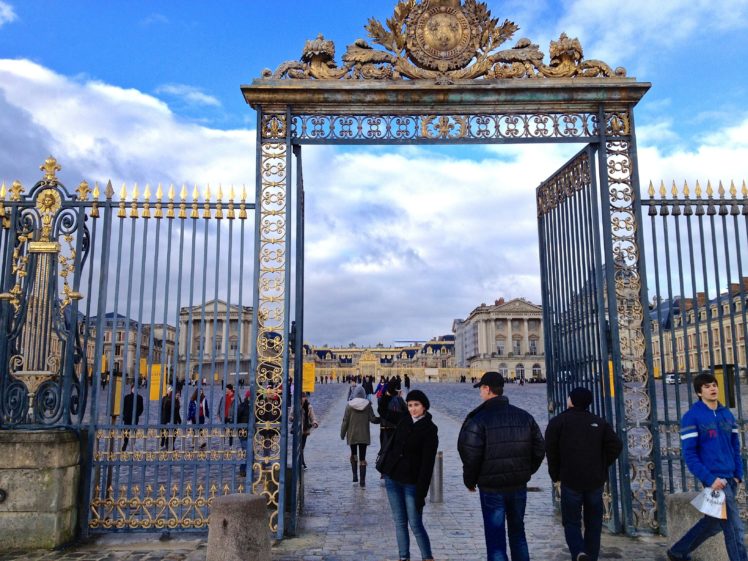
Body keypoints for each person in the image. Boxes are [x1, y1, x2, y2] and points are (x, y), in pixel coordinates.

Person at [457, 371, 545, 561]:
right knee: (518, 534)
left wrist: (470, 481)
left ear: (487, 389)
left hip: (491, 488)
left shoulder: (478, 419)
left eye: (481, 388)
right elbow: (539, 449)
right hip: (518, 486)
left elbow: (470, 454)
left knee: (495, 539)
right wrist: (526, 472)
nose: (480, 392)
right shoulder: (524, 416)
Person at [667, 373, 747, 561]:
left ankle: (678, 551)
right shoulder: (691, 417)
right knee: (735, 529)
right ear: (699, 392)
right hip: (715, 480)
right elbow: (690, 455)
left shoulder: (727, 414)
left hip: (731, 478)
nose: (712, 389)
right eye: (707, 386)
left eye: (714, 385)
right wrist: (710, 479)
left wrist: (739, 474)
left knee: (714, 524)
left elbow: (735, 446)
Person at [545, 387, 623, 561]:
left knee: (571, 521)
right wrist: (602, 464)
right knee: (593, 523)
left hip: (570, 479)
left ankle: (579, 552)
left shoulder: (558, 422)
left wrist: (555, 475)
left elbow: (551, 452)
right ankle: (591, 556)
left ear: (570, 400)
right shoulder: (599, 422)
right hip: (594, 480)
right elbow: (616, 445)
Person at [378, 389, 438, 561]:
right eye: (410, 405)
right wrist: (388, 392)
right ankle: (403, 557)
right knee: (399, 522)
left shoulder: (430, 429)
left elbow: (427, 465)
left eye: (416, 405)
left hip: (412, 482)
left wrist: (422, 494)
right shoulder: (404, 419)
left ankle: (427, 557)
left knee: (415, 523)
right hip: (393, 477)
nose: (413, 409)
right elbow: (382, 411)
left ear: (424, 406)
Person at [340, 384, 379, 487]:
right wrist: (382, 419)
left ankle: (354, 476)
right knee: (362, 457)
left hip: (352, 434)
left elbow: (345, 421)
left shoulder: (349, 405)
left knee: (353, 455)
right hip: (364, 435)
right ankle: (362, 481)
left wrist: (342, 434)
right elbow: (373, 419)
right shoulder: (368, 405)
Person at [290, 392, 319, 469]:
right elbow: (290, 416)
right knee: (298, 447)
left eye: (304, 397)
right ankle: (301, 463)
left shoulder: (309, 407)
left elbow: (312, 417)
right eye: (301, 398)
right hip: (296, 429)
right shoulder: (295, 406)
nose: (303, 399)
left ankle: (300, 462)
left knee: (301, 447)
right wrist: (293, 418)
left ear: (305, 398)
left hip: (305, 430)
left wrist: (315, 422)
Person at [121, 384, 144, 451]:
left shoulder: (140, 398)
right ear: (131, 389)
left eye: (136, 388)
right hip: (127, 417)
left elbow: (141, 408)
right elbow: (123, 407)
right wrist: (124, 414)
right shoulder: (127, 397)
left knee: (134, 431)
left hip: (135, 417)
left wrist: (137, 414)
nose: (135, 390)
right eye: (134, 388)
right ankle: (125, 443)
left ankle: (133, 443)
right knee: (126, 431)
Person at [237, 390, 251, 477]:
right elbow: (237, 419)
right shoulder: (242, 406)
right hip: (243, 432)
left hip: (252, 432)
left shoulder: (255, 406)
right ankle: (243, 469)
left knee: (250, 451)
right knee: (246, 451)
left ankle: (249, 469)